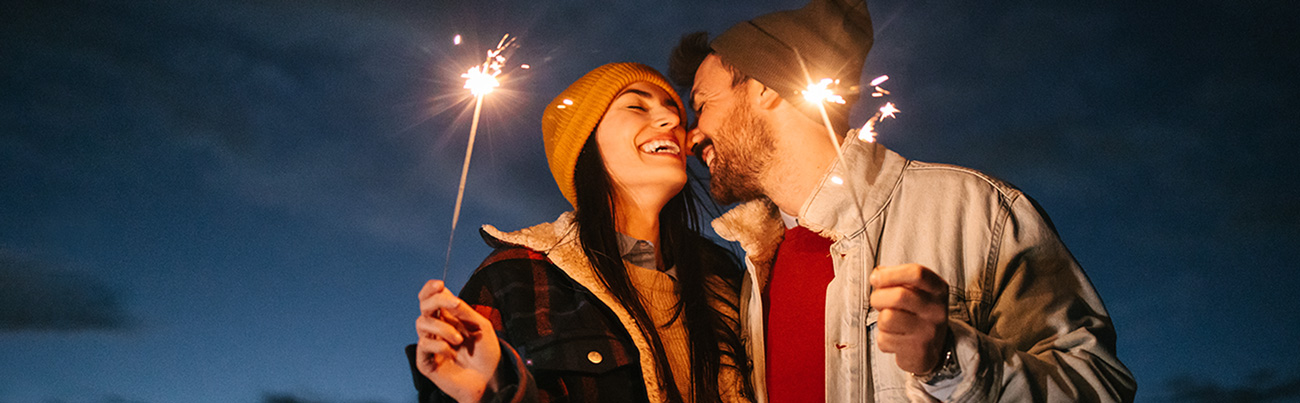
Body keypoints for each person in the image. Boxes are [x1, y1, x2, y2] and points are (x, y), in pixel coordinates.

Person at [666, 0, 1137, 402]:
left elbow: (1099, 385)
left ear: (766, 88)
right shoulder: (753, 269)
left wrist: (951, 360)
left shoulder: (975, 213)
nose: (691, 134)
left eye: (703, 102)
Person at [406, 62, 752, 403]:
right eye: (636, 106)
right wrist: (494, 393)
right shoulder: (517, 277)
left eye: (673, 110)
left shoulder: (727, 281)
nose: (673, 120)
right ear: (583, 141)